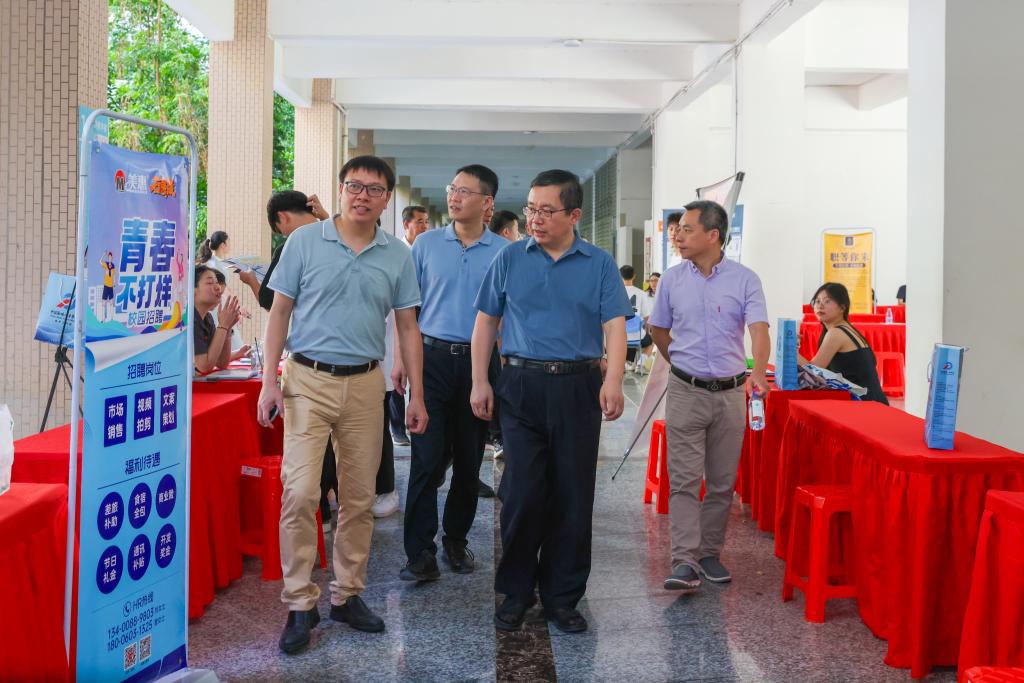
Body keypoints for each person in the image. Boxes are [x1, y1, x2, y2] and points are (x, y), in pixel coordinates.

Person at [257, 155, 428, 655]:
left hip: (365, 385)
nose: (362, 196)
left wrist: (416, 393)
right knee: (300, 492)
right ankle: (299, 602)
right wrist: (269, 382)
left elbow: (408, 326)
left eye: (374, 189)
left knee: (358, 498)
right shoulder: (304, 241)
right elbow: (279, 313)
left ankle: (347, 594)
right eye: (354, 185)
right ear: (340, 189)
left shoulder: (397, 254)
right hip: (307, 380)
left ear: (386, 199)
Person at [470, 169, 631, 635]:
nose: (535, 219)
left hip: (579, 387)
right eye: (531, 209)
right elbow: (485, 323)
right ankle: (516, 592)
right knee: (522, 493)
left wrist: (613, 380)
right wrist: (479, 382)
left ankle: (563, 597)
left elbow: (615, 326)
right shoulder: (509, 258)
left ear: (574, 214)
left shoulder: (599, 263)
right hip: (522, 385)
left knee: (573, 495)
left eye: (546, 210)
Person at [648, 199, 770, 594]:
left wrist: (757, 371)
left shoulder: (745, 279)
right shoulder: (671, 280)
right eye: (678, 229)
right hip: (686, 391)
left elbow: (759, 329)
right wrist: (681, 363)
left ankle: (709, 554)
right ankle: (684, 561)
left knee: (721, 481)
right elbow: (658, 330)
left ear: (713, 235)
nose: (678, 236)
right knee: (684, 481)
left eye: (687, 229)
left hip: (730, 394)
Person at [398, 164, 505, 582]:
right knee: (425, 459)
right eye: (452, 189)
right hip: (432, 359)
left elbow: (507, 317)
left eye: (464, 191)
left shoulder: (504, 252)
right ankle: (419, 552)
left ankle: (455, 541)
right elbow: (408, 310)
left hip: (480, 366)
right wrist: (401, 361)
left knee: (468, 459)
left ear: (487, 202)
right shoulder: (425, 245)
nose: (454, 197)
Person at [799, 282, 889, 405]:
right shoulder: (846, 329)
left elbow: (813, 371)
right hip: (874, 402)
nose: (820, 305)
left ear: (842, 307)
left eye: (827, 301)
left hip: (865, 406)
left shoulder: (836, 333)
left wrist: (789, 347)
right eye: (817, 301)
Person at [389, 205, 431, 446]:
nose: (425, 226)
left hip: (416, 323)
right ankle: (396, 428)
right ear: (406, 224)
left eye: (426, 221)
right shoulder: (397, 252)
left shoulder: (425, 251)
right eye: (420, 221)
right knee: (396, 376)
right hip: (396, 323)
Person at [192, 265, 242, 374]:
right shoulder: (190, 319)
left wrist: (227, 328)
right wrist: (223, 325)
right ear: (193, 290)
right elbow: (204, 366)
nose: (218, 287)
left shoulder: (207, 318)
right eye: (210, 283)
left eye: (217, 282)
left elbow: (221, 362)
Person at [620, 264, 653, 364]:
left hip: (619, 336)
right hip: (636, 335)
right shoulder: (641, 293)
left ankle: (627, 362)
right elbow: (647, 318)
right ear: (634, 276)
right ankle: (640, 363)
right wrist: (648, 332)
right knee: (650, 342)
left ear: (620, 276)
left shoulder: (615, 292)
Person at [100, 251, 117, 322]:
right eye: (109, 257)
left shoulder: (113, 266)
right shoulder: (106, 264)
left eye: (111, 257)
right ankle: (103, 318)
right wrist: (103, 254)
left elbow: (114, 275)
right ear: (108, 258)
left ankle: (112, 318)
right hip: (106, 286)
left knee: (111, 302)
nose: (110, 258)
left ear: (112, 258)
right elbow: (100, 261)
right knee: (103, 302)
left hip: (111, 287)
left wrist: (114, 283)